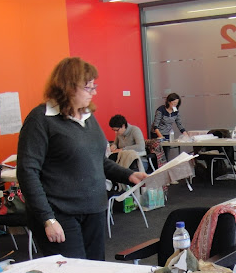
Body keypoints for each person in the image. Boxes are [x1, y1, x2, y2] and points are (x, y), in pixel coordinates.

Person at [17, 57, 147, 261]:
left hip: (93, 209)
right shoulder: (40, 119)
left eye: (94, 86)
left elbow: (98, 161)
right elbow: (27, 172)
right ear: (68, 87)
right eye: (88, 87)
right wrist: (47, 219)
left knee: (96, 272)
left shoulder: (87, 117)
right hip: (60, 213)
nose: (93, 92)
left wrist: (129, 175)